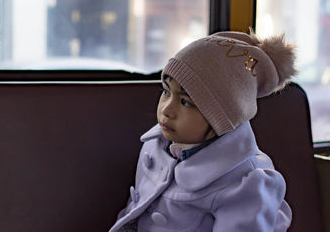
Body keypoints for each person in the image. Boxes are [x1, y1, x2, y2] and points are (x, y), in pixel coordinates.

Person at [109, 30, 295, 232]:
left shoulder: (245, 183)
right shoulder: (156, 147)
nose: (166, 110)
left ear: (222, 119)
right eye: (165, 91)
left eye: (185, 102)